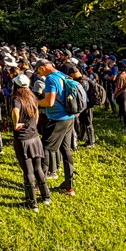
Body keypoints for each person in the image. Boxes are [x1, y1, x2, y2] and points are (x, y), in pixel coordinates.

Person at [35, 58, 76, 196]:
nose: (39, 74)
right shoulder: (62, 75)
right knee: (66, 150)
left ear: (44, 67)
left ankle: (39, 185)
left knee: (45, 149)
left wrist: (35, 102)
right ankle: (69, 186)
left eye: (39, 70)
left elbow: (49, 102)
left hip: (57, 119)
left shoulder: (50, 79)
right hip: (69, 117)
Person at [11, 74, 50, 211]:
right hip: (34, 137)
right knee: (38, 168)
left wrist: (16, 124)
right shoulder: (32, 97)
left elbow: (15, 111)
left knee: (28, 171)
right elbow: (37, 113)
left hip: (23, 139)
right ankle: (46, 196)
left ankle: (31, 202)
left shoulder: (17, 99)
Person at [113, 60, 126, 132]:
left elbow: (118, 87)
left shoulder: (121, 76)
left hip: (123, 94)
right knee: (125, 110)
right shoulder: (124, 74)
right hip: (125, 94)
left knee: (125, 111)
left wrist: (114, 94)